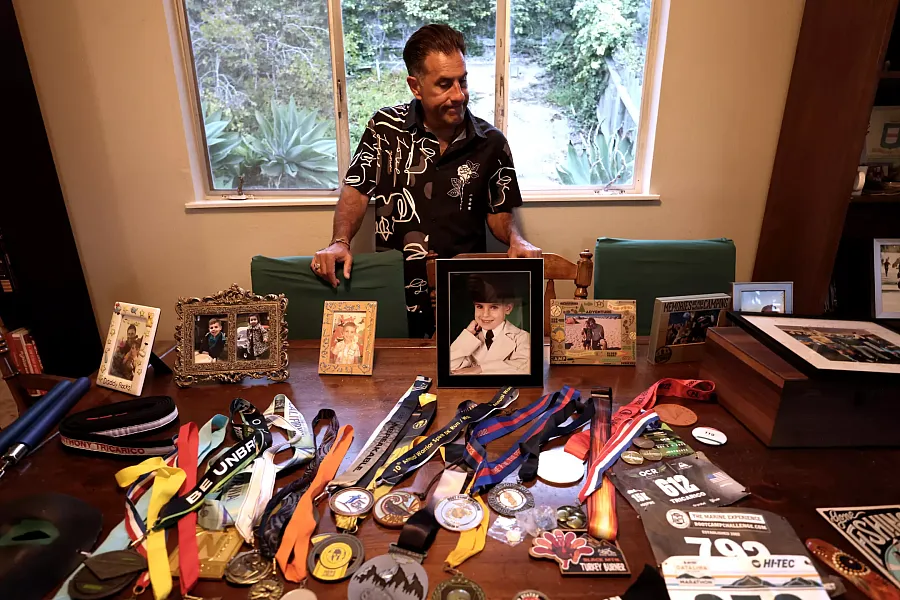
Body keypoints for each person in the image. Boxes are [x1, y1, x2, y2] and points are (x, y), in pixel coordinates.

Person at [310, 24, 541, 337]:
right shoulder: (384, 129)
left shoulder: (492, 143)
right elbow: (356, 193)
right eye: (444, 84)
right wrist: (340, 241)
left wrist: (516, 239)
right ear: (415, 86)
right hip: (395, 292)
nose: (458, 95)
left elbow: (499, 214)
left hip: (464, 295)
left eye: (463, 81)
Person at [450, 275, 530, 374]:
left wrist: (479, 369)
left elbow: (524, 368)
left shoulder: (521, 337)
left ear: (508, 308)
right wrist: (468, 333)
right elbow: (450, 366)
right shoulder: (470, 338)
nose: (485, 314)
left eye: (493, 307)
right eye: (479, 307)